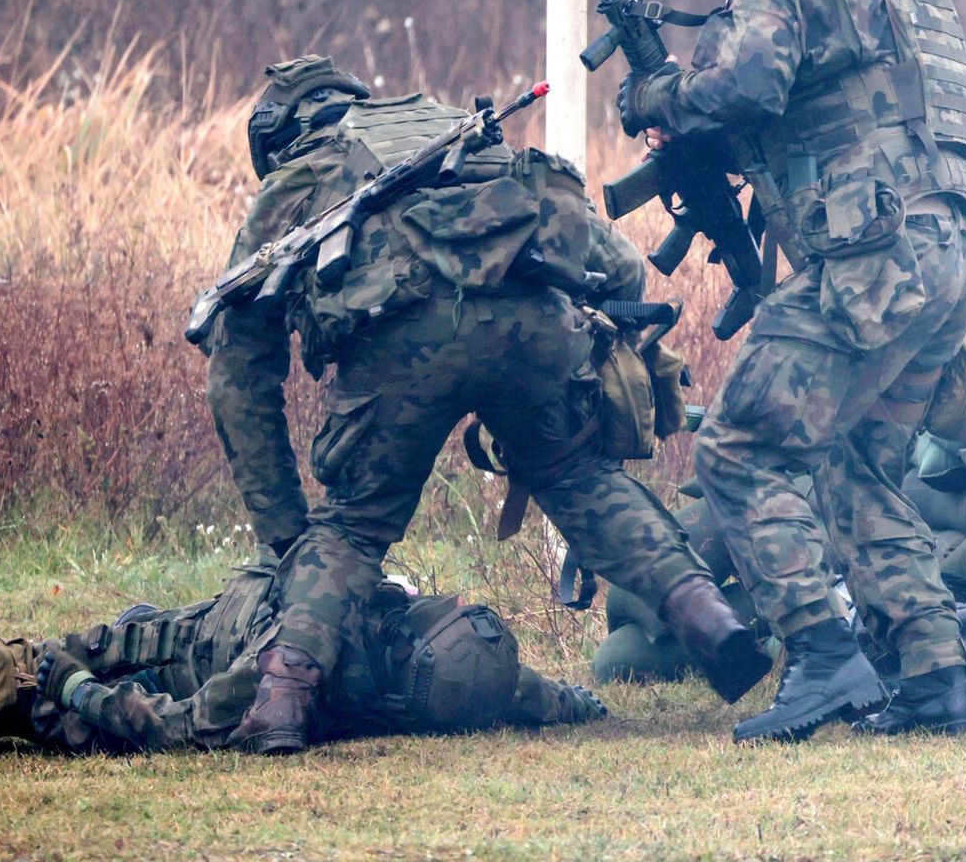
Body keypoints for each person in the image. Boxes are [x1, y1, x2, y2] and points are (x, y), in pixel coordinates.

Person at [208, 56, 769, 753]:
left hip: (402, 342)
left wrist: (289, 537)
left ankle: (282, 703)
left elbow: (239, 371)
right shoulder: (459, 132)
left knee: (352, 526)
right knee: (582, 481)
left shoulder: (300, 176)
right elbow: (620, 268)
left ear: (277, 134)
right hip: (535, 327)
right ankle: (712, 623)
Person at [616, 0, 966, 740]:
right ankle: (935, 678)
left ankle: (826, 659)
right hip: (953, 253)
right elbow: (849, 97)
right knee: (862, 462)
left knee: (742, 447)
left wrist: (655, 92)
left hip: (875, 259)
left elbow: (739, 86)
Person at [0, 563, 605, 754]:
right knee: (105, 637)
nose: (417, 610)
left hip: (166, 677)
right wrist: (582, 703)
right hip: (179, 626)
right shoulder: (463, 676)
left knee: (13, 678)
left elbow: (170, 729)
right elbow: (536, 693)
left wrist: (79, 687)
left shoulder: (288, 676)